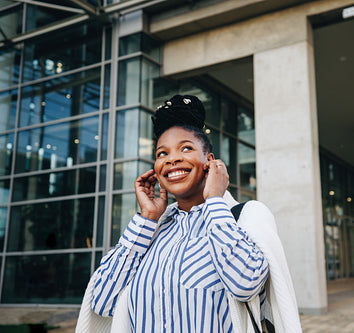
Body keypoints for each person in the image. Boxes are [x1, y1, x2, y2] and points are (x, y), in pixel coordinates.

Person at [76, 95, 302, 333]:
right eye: (162, 153)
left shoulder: (247, 216)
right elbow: (101, 302)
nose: (172, 158)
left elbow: (246, 284)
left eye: (186, 148)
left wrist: (214, 200)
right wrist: (147, 218)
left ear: (210, 161)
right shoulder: (151, 231)